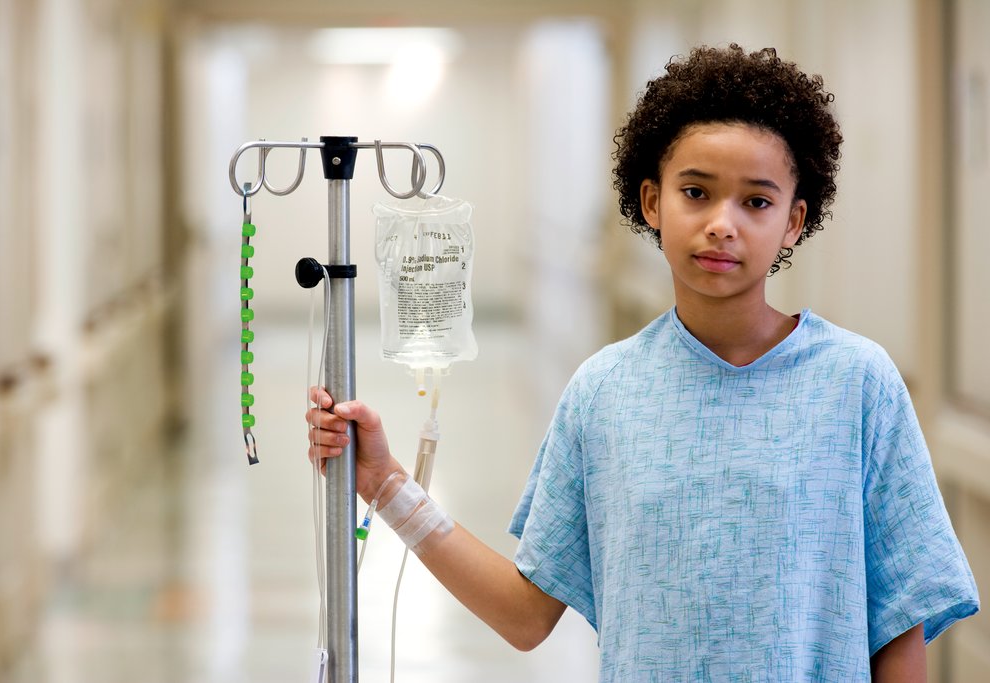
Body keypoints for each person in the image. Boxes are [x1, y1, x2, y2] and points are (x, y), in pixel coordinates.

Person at [307, 44, 979, 681]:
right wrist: (388, 485)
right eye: (696, 192)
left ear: (794, 222)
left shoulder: (857, 383)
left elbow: (898, 624)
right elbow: (525, 613)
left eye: (757, 201)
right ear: (652, 201)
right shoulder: (607, 391)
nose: (723, 223)